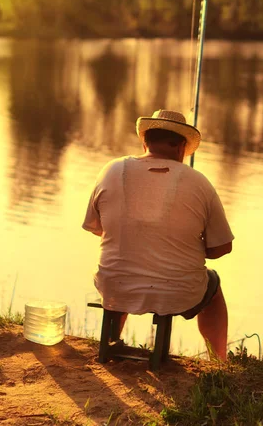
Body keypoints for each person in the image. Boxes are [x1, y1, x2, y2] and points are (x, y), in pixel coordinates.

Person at [82, 109, 234, 360]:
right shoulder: (199, 182)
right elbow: (222, 247)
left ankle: (113, 338)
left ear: (145, 141)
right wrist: (191, 246)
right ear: (182, 147)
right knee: (213, 287)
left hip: (114, 284)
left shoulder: (111, 170)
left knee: (123, 265)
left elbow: (98, 228)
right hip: (178, 291)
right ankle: (219, 360)